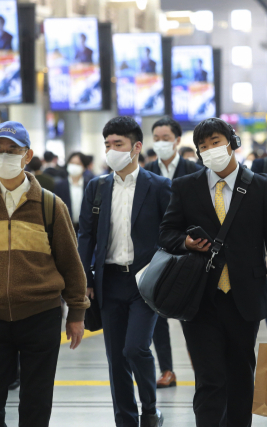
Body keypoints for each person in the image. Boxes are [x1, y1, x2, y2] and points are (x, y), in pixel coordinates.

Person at [0, 121, 88, 427]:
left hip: (41, 314)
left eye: (13, 150)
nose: (4, 156)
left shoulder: (50, 205)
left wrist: (76, 312)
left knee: (36, 399)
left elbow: (71, 264)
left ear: (27, 155)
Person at [159, 118, 267, 427]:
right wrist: (186, 242)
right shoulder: (185, 187)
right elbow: (166, 233)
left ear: (232, 142)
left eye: (215, 142)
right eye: (203, 147)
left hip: (244, 297)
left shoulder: (260, 186)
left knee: (241, 376)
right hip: (200, 299)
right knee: (209, 378)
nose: (210, 150)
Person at [78, 117, 170, 427]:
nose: (111, 150)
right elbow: (86, 237)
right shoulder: (97, 188)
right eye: (107, 145)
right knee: (116, 359)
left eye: (118, 144)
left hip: (145, 282)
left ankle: (149, 409)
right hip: (109, 281)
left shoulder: (158, 186)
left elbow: (170, 233)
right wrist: (86, 280)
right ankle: (126, 420)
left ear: (136, 147)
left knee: (135, 348)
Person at [144, 116, 201, 388]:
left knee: (192, 312)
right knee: (158, 314)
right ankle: (167, 369)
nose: (161, 143)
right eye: (157, 138)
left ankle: (200, 367)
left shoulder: (193, 170)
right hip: (157, 254)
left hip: (190, 252)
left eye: (166, 138)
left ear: (178, 140)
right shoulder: (148, 172)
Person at [55, 152, 94, 232]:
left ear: (84, 167)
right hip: (65, 228)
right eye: (72, 163)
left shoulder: (90, 186)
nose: (74, 166)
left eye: (78, 164)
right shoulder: (60, 186)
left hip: (85, 229)